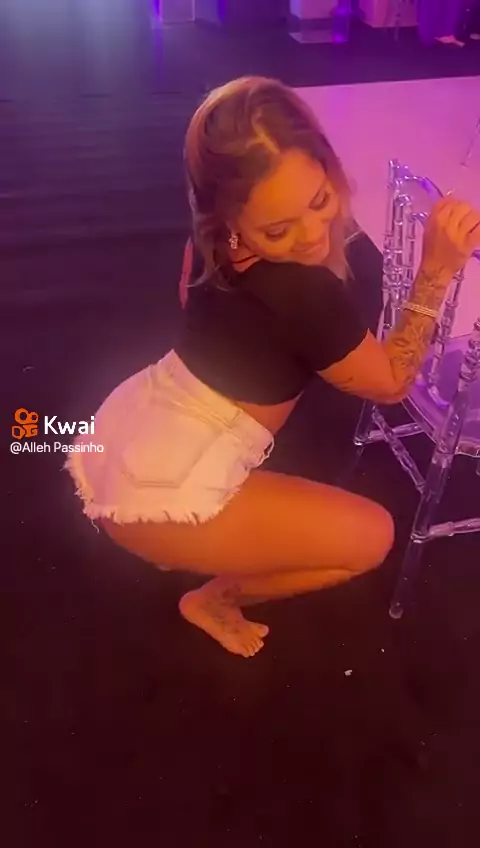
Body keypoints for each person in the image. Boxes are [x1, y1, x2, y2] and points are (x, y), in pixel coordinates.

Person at [66, 77, 480, 658]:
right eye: (278, 230)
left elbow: (190, 298)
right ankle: (214, 598)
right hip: (161, 492)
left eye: (320, 201)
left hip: (127, 430)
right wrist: (435, 269)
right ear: (232, 215)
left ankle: (184, 544)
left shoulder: (212, 236)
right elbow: (392, 383)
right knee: (372, 538)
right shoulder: (304, 295)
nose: (311, 237)